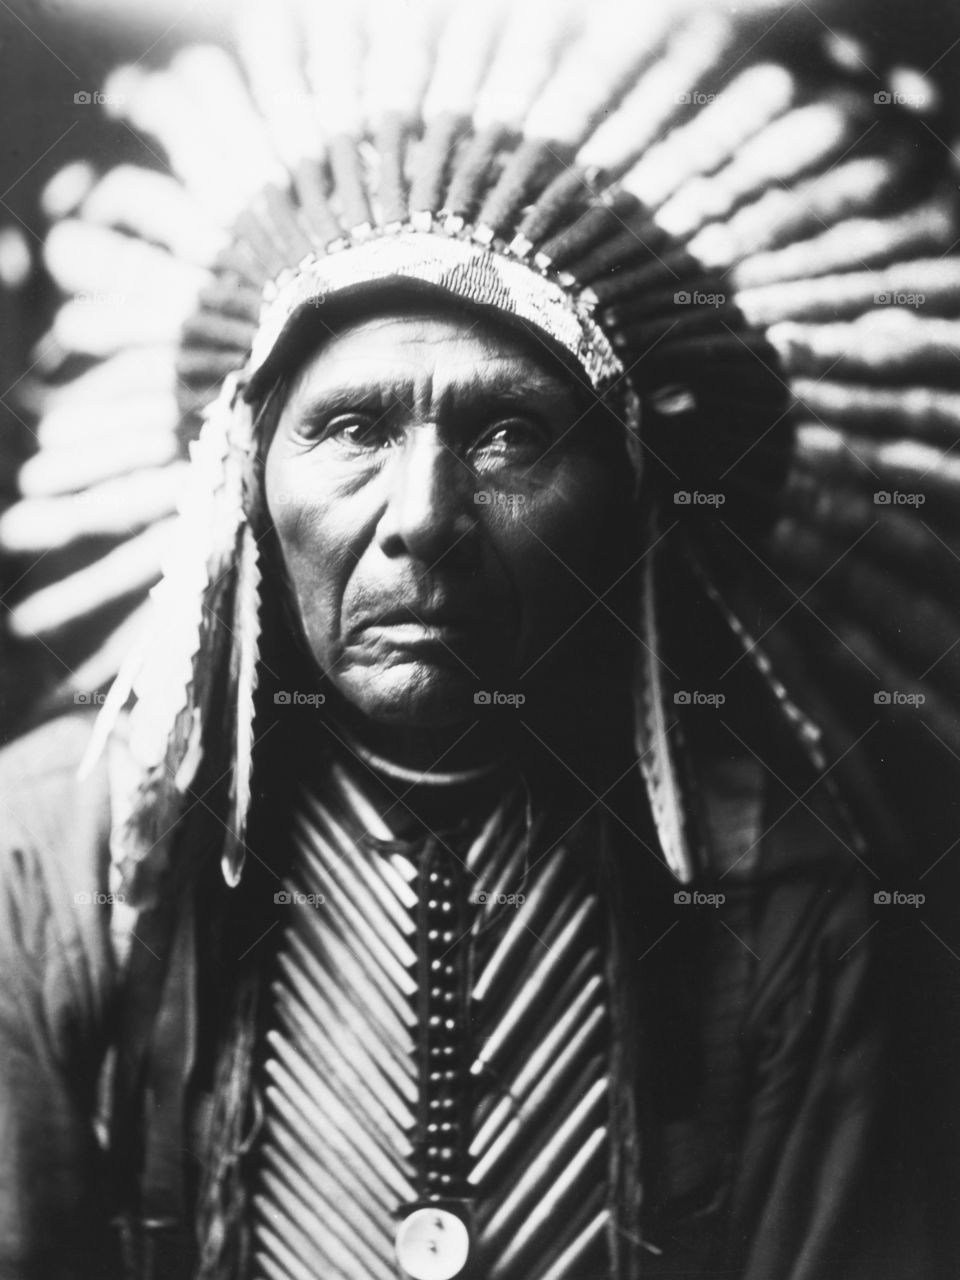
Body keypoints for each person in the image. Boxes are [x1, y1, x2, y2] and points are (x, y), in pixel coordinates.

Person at [0, 3, 955, 1277]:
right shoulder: (64, 859)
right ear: (245, 487)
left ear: (626, 502)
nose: (425, 518)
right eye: (352, 428)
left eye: (511, 435)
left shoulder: (782, 894)